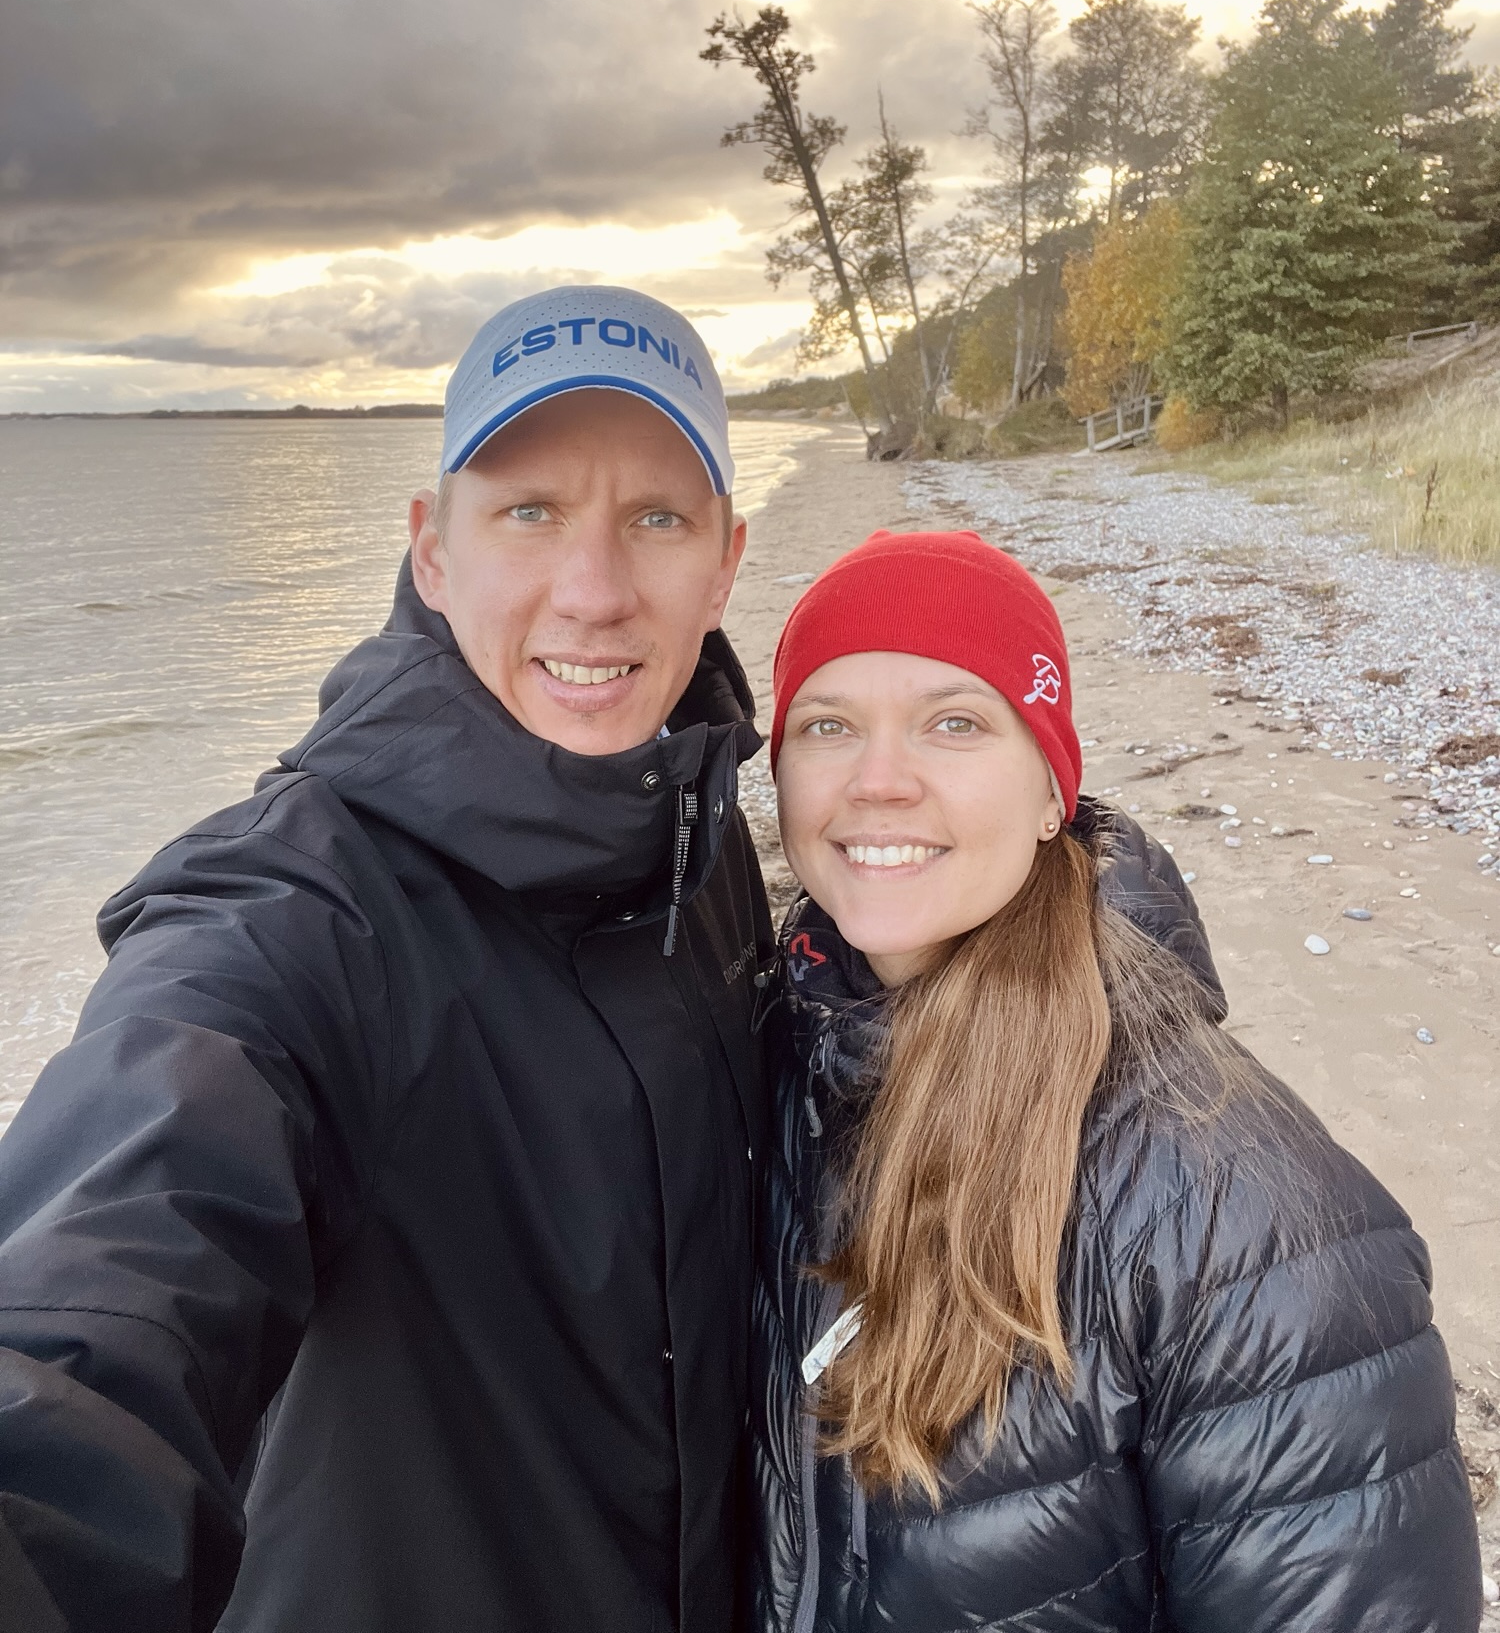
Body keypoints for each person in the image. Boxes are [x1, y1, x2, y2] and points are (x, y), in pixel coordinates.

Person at [0, 288, 775, 1633]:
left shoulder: (700, 835)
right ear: (432, 553)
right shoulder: (304, 911)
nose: (594, 592)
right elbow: (110, 1285)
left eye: (657, 517)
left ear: (725, 565)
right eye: (528, 511)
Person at [749, 530, 1482, 1633]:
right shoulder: (774, 1068)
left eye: (955, 722)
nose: (879, 780)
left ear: (1053, 792)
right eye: (827, 725)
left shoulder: (1242, 1218)